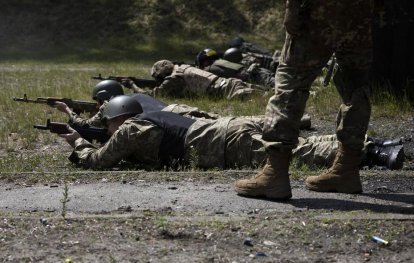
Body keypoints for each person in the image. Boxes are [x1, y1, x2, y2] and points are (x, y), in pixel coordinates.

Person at [234, 1, 375, 199]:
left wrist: (292, 7)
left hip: (320, 10)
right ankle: (347, 169)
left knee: (291, 80)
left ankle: (275, 173)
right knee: (356, 86)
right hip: (360, 10)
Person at [58, 95, 403, 171]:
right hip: (232, 126)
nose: (108, 129)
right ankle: (376, 143)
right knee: (302, 143)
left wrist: (76, 142)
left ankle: (374, 154)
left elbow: (100, 161)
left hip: (227, 144)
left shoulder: (131, 129)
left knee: (299, 154)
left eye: (108, 123)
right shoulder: (163, 113)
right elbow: (201, 114)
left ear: (119, 117)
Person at [54, 80, 220, 129]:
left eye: (97, 101)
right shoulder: (136, 96)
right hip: (175, 110)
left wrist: (67, 110)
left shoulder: (113, 106)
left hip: (169, 122)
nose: (97, 105)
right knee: (218, 121)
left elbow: (86, 126)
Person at [150, 60, 268, 100]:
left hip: (224, 90)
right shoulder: (182, 68)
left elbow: (154, 94)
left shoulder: (174, 78)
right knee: (269, 94)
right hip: (229, 83)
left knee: (267, 99)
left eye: (159, 78)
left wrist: (132, 84)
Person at [196, 48, 275, 88]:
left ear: (204, 61)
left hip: (258, 79)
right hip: (262, 72)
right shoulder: (221, 61)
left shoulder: (211, 68)